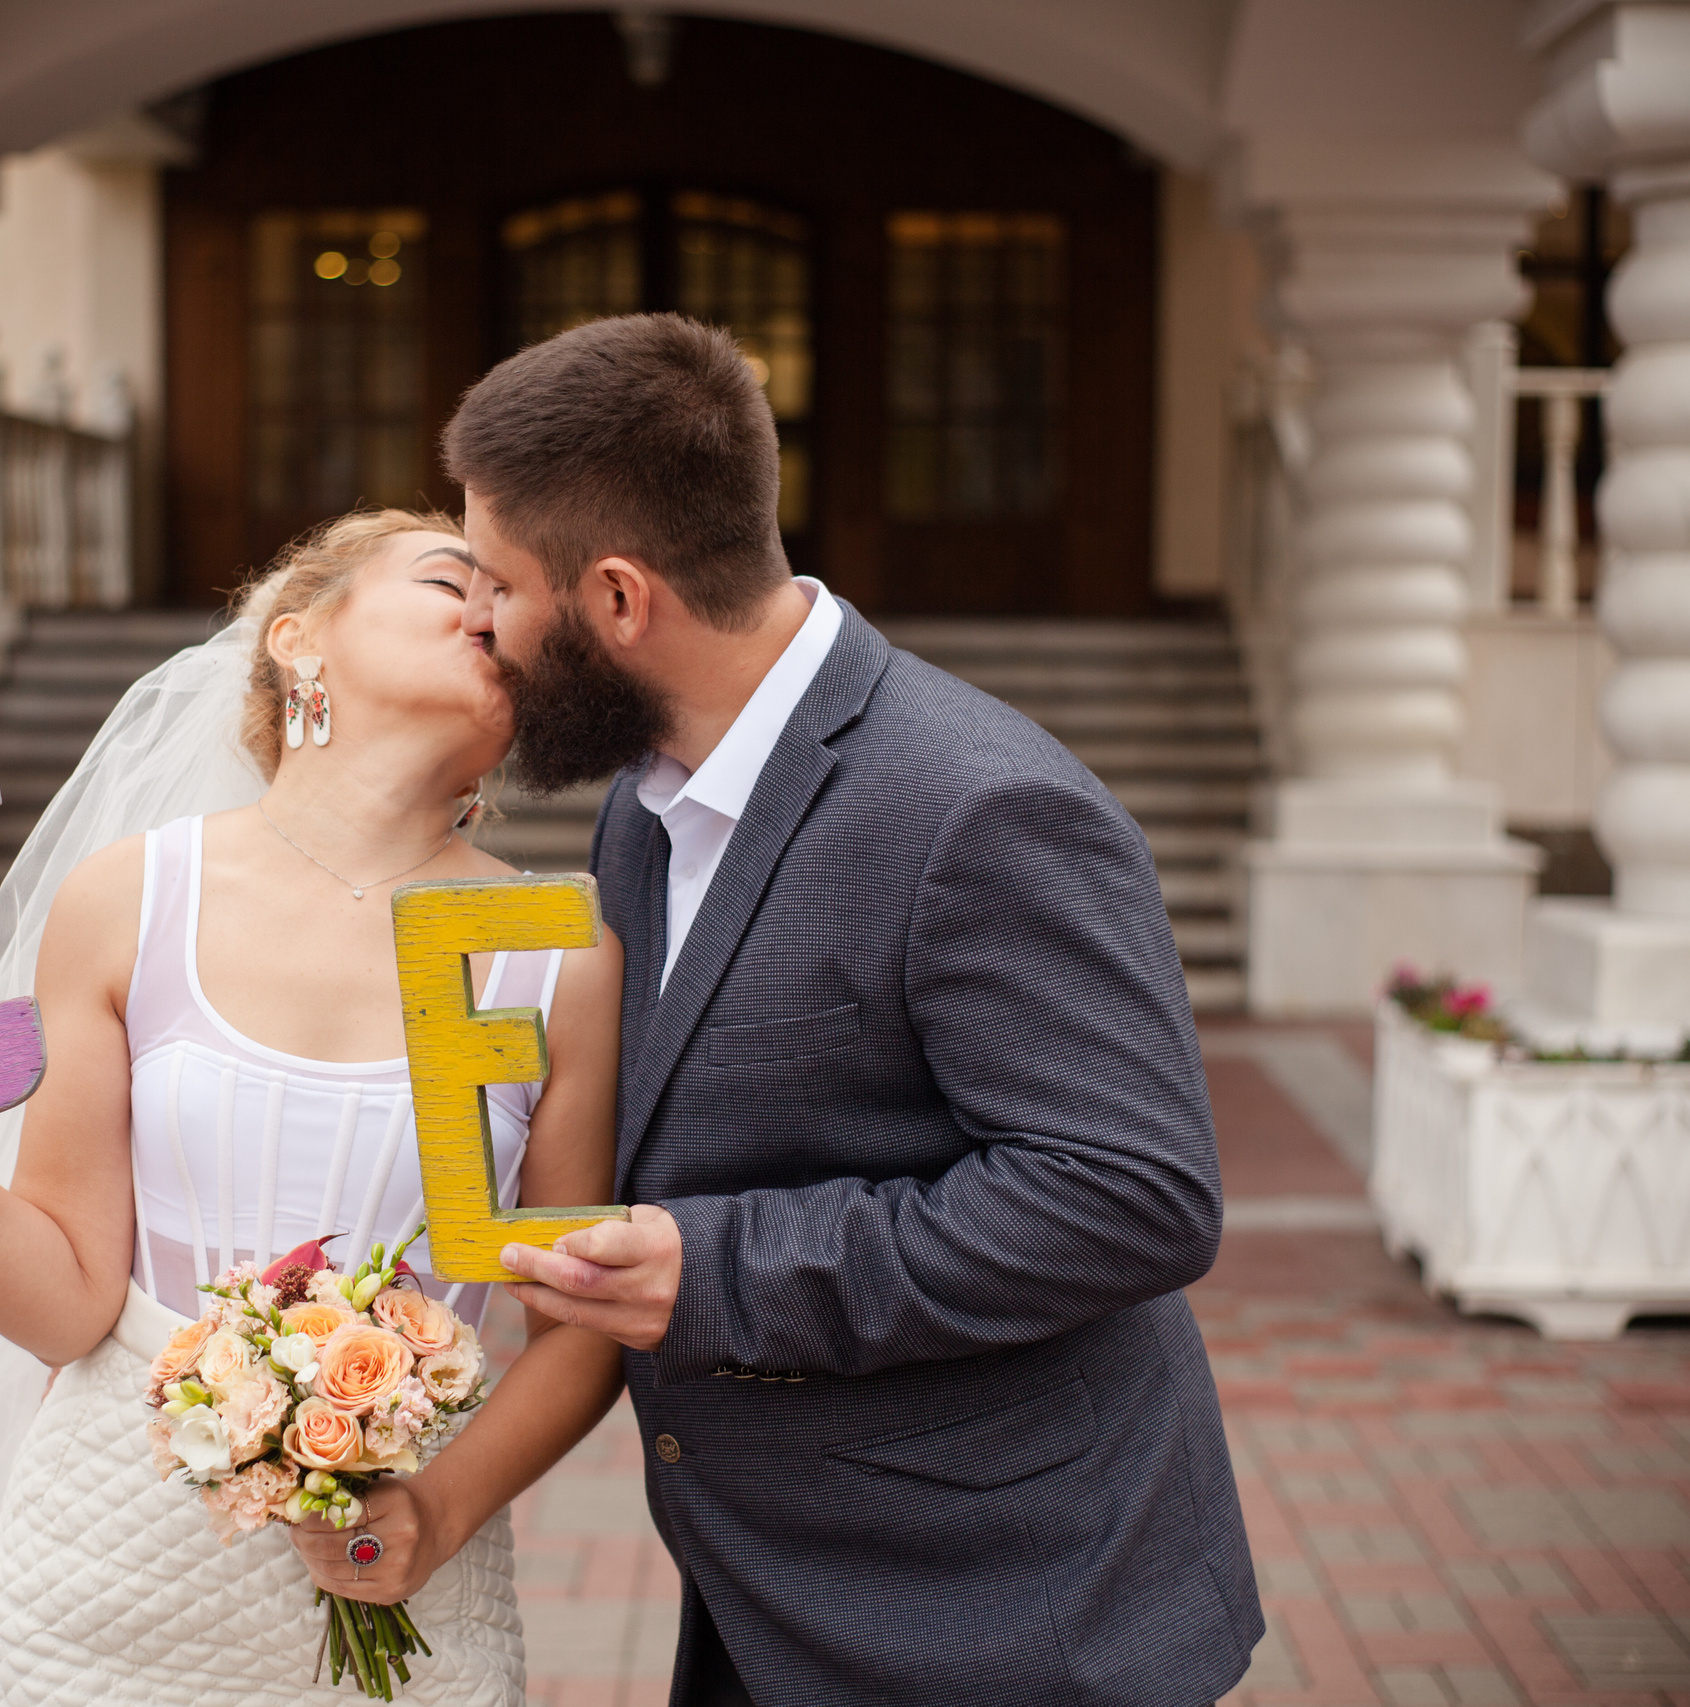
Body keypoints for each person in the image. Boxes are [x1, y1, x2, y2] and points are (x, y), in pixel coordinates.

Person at [448, 314, 1263, 1706]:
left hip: (1002, 1605)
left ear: (623, 599)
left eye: (501, 586)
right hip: (772, 1581)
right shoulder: (644, 806)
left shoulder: (980, 806)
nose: (481, 623)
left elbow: (1132, 1193)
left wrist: (718, 1268)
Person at [0, 511, 626, 1706]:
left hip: (410, 1592)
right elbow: (69, 1302)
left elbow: (576, 1326)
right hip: (106, 1585)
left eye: (510, 597)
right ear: (300, 641)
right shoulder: (133, 897)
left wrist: (429, 1514)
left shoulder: (561, 955)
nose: (489, 606)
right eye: (451, 578)